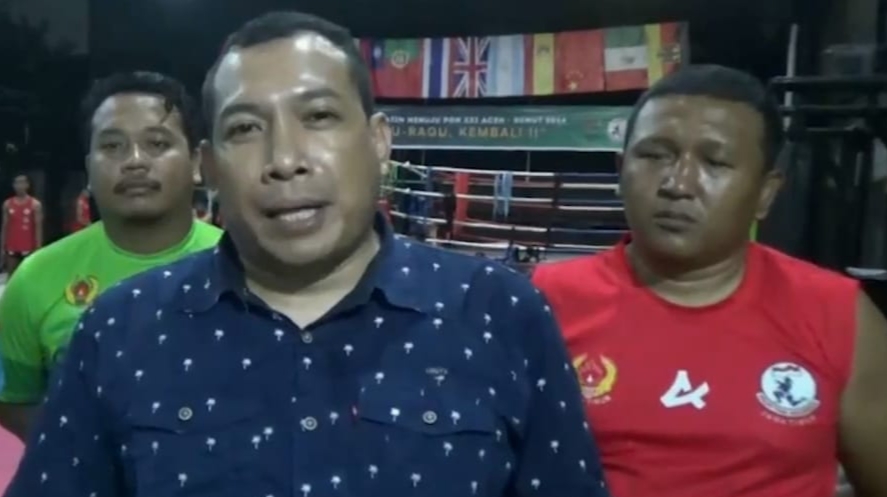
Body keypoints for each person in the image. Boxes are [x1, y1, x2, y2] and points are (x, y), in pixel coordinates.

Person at [4, 11, 609, 497]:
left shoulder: (501, 315)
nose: (285, 159)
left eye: (318, 116)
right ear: (209, 166)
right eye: (245, 129)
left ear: (378, 141)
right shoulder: (119, 330)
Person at [532, 65, 887, 497]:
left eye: (715, 163)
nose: (678, 184)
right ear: (620, 171)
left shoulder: (840, 316)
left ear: (766, 193)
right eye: (655, 155)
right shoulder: (542, 303)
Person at [0, 71, 222, 441]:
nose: (134, 161)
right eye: (113, 146)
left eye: (157, 143)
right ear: (89, 169)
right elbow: (14, 399)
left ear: (197, 161)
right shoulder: (36, 278)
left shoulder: (248, 266)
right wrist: (84, 454)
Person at [1, 174, 42, 276]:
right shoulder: (7, 204)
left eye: (22, 182)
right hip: (11, 247)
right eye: (17, 183)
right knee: (11, 277)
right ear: (13, 185)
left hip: (29, 248)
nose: (19, 186)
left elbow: (38, 228)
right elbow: (5, 227)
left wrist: (38, 249)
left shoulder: (35, 204)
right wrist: (2, 248)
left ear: (27, 185)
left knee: (28, 276)